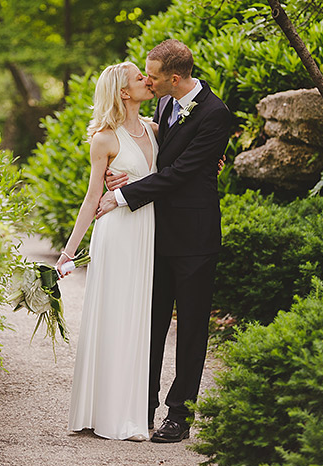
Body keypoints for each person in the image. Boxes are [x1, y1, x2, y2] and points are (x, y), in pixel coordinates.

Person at [95, 39, 232, 443]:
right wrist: (117, 173)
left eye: (152, 76)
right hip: (153, 232)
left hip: (195, 239)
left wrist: (122, 195)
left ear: (174, 78)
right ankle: (142, 404)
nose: (146, 81)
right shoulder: (162, 104)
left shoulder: (215, 113)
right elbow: (153, 154)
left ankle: (179, 415)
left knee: (191, 330)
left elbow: (183, 172)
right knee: (150, 324)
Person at [58, 61, 158, 441]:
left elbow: (176, 169)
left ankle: (126, 412)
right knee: (115, 316)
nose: (147, 80)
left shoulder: (154, 129)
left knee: (137, 319)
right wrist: (68, 253)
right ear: (123, 92)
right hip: (116, 235)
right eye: (139, 78)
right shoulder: (104, 138)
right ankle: (108, 416)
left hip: (146, 232)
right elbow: (92, 198)